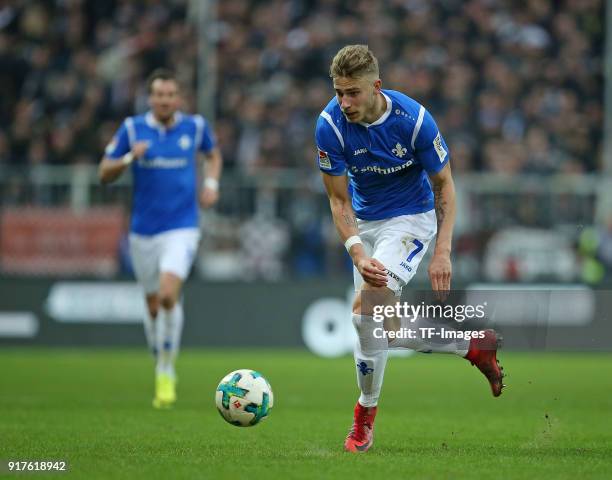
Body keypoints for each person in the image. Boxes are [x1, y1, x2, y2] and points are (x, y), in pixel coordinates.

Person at [316, 45, 505, 453]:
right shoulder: (329, 126)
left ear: (376, 87)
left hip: (410, 221)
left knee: (364, 311)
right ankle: (473, 346)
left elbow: (445, 186)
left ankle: (363, 421)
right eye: (338, 92)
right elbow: (338, 201)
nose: (344, 102)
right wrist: (356, 252)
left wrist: (442, 251)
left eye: (353, 93)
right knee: (386, 332)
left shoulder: (414, 121)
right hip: (364, 225)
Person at [99, 69, 223, 408]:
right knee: (153, 303)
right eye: (159, 95)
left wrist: (211, 185)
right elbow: (103, 172)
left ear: (178, 98)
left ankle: (166, 370)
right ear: (150, 98)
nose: (165, 100)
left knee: (169, 295)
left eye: (170, 94)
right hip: (142, 231)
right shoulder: (132, 129)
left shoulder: (195, 127)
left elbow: (213, 155)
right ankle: (160, 359)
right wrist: (128, 158)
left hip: (182, 227)